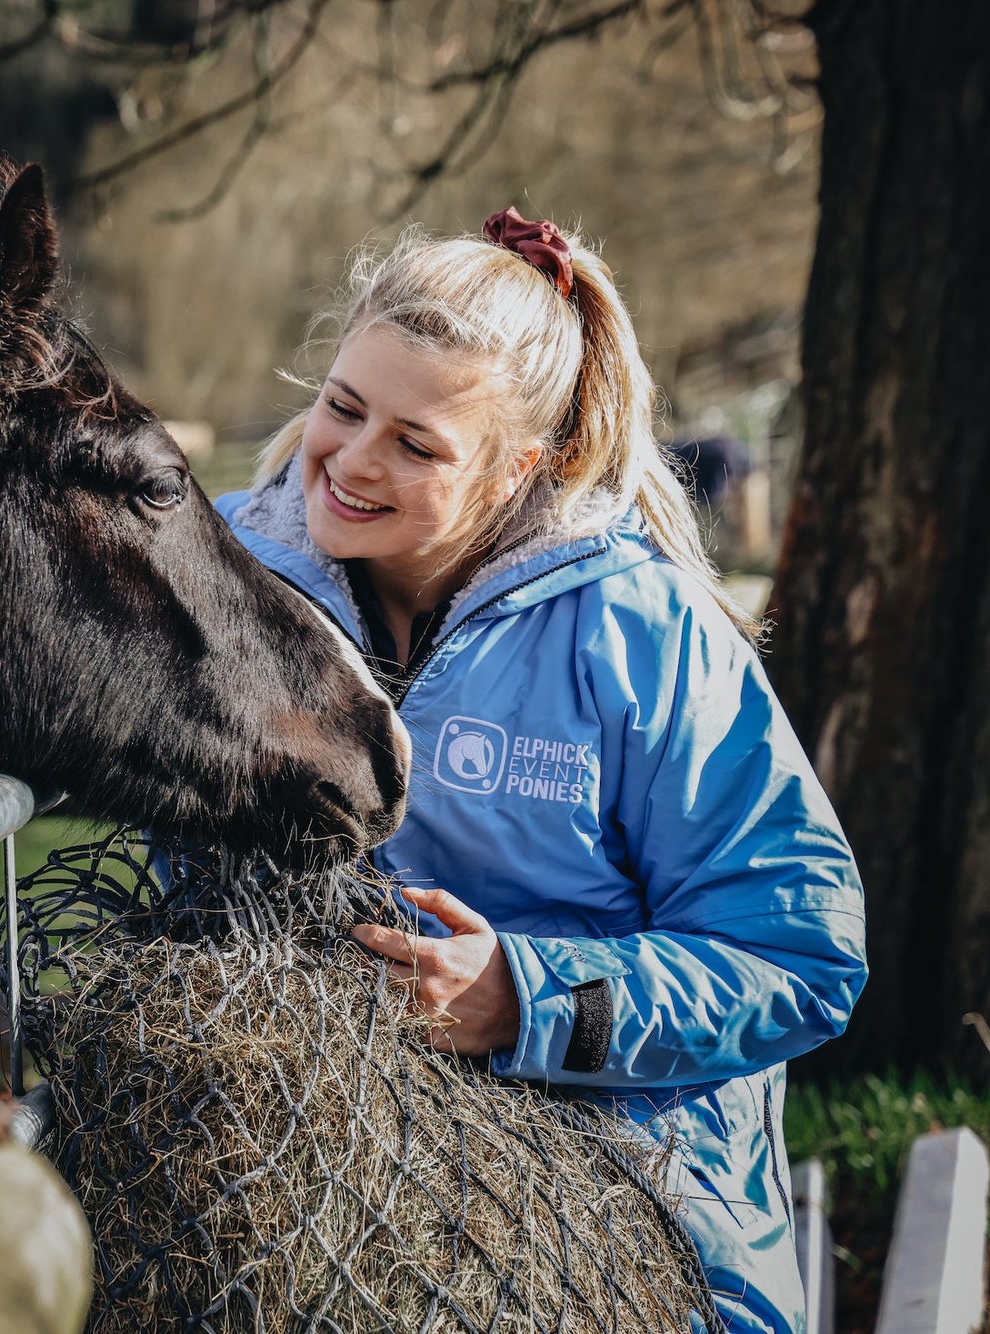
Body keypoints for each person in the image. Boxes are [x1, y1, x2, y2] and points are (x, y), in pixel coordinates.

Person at [216, 209, 866, 1332]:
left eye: (415, 444)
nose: (351, 461)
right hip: (290, 1139)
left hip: (618, 1188)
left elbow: (797, 951)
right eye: (340, 405)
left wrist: (525, 996)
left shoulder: (644, 632)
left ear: (524, 466)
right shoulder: (218, 574)